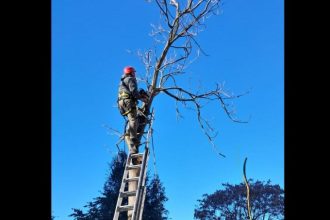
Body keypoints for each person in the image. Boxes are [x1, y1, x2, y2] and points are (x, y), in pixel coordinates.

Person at [117, 66, 148, 154]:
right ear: (131, 73)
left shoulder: (122, 82)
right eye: (134, 72)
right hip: (128, 102)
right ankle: (133, 140)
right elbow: (134, 92)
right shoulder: (131, 79)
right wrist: (142, 98)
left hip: (121, 104)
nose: (135, 74)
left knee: (133, 120)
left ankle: (130, 137)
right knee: (133, 120)